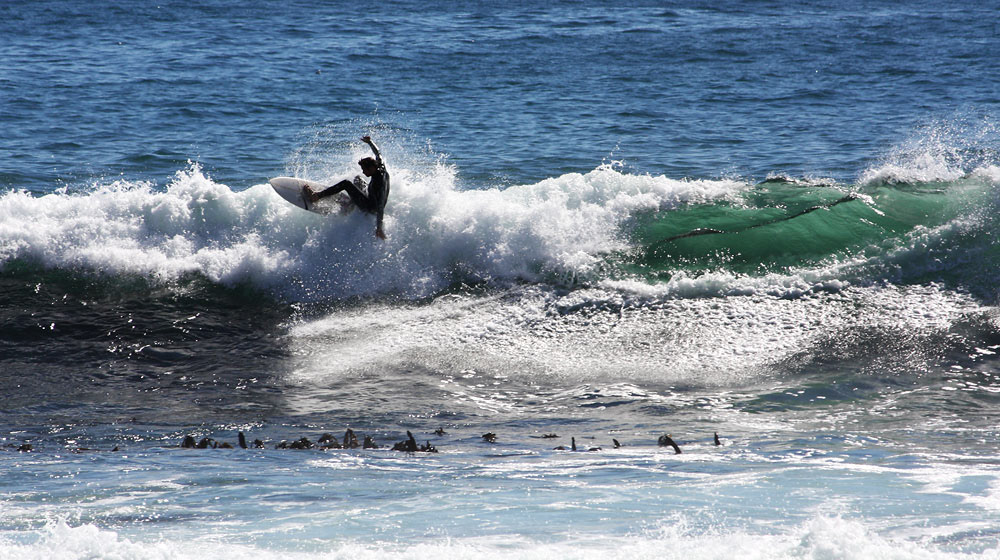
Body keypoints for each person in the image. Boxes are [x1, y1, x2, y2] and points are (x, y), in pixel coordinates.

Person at [305, 136, 389, 239]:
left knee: (346, 183)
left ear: (371, 168)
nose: (363, 171)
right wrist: (370, 142)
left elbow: (380, 207)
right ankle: (352, 203)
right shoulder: (380, 166)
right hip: (371, 197)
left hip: (370, 207)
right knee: (358, 179)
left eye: (364, 169)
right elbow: (378, 153)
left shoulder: (378, 185)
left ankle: (316, 196)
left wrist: (379, 228)